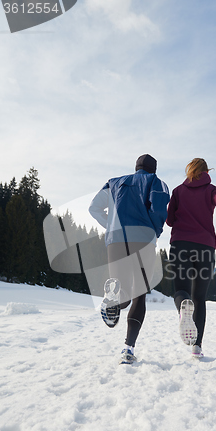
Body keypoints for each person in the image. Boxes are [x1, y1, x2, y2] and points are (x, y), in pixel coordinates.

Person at [89, 154, 170, 364]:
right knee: (139, 295)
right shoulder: (156, 182)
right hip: (143, 240)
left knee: (121, 291)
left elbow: (93, 208)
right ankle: (128, 349)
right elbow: (159, 210)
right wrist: (154, 230)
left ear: (136, 167)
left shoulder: (114, 182)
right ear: (154, 169)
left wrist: (110, 224)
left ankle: (113, 295)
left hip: (115, 241)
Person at [166, 158, 216, 358]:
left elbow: (169, 220)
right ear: (206, 171)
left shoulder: (178, 191)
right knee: (199, 298)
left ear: (189, 171)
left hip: (181, 245)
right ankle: (197, 347)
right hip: (205, 247)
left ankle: (183, 308)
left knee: (182, 290)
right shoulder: (212, 190)